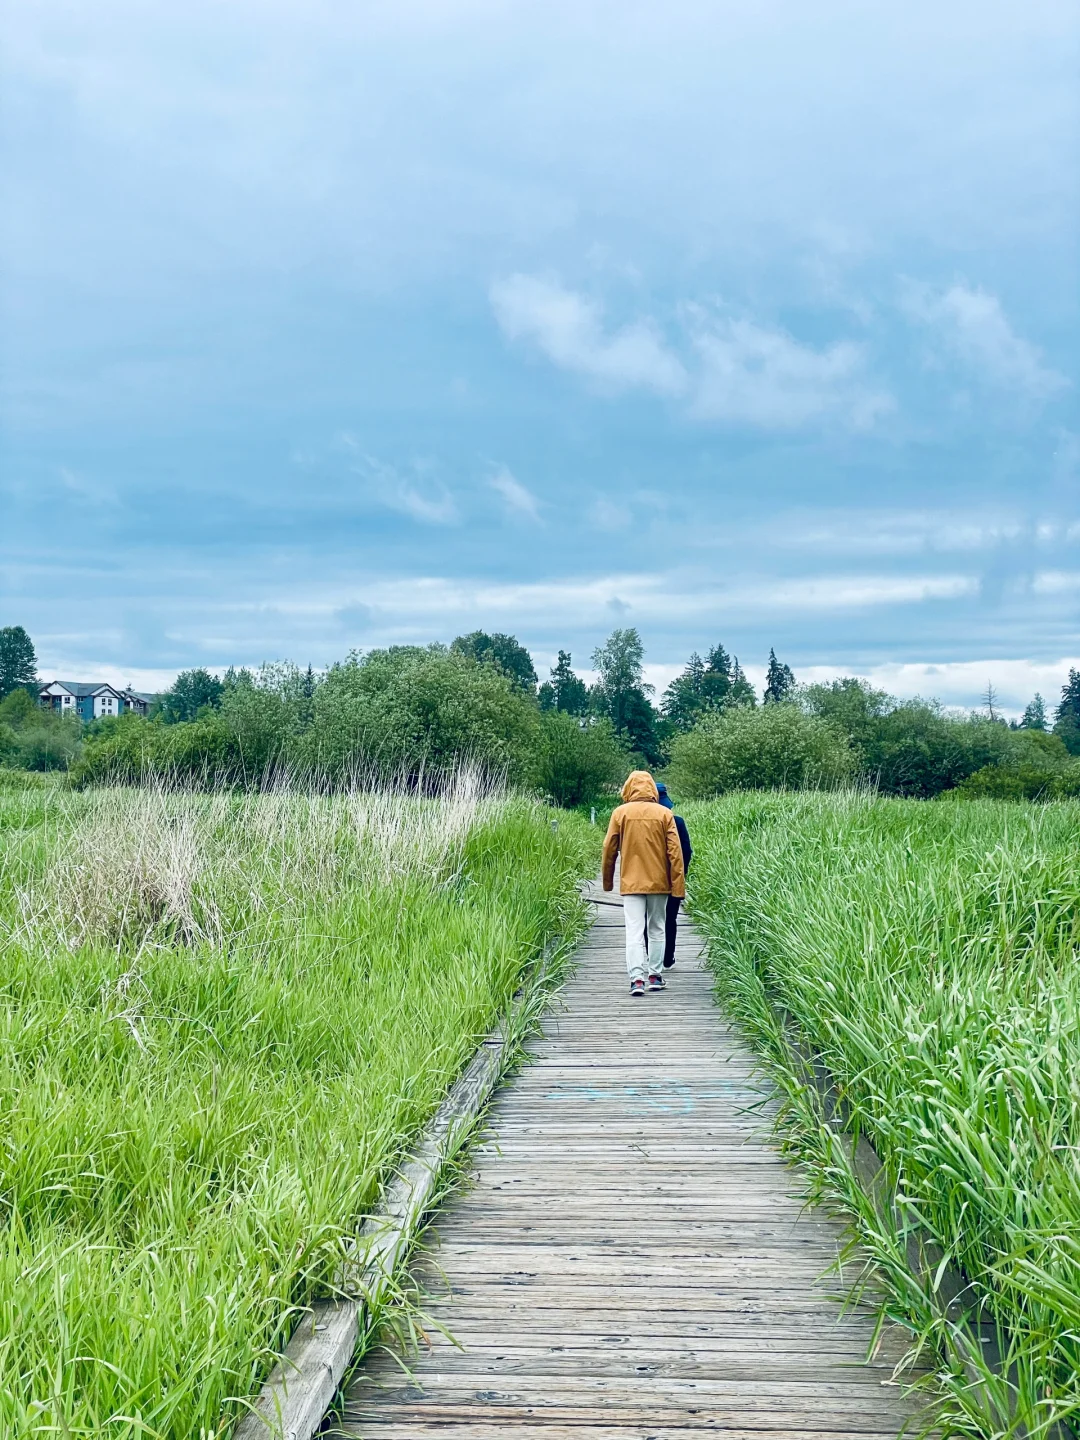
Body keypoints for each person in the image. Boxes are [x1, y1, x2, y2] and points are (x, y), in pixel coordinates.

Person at [601, 770, 686, 996]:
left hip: (631, 882)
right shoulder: (664, 814)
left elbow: (608, 848)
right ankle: (655, 976)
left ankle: (636, 979)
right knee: (657, 928)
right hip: (660, 882)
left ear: (628, 788)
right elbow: (675, 853)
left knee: (634, 931)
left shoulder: (620, 813)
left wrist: (608, 881)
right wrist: (678, 886)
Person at [655, 782, 692, 969]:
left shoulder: (646, 824)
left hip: (651, 879)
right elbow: (687, 851)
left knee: (651, 920)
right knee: (670, 918)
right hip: (673, 878)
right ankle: (668, 957)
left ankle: (653, 956)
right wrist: (681, 874)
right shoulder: (678, 822)